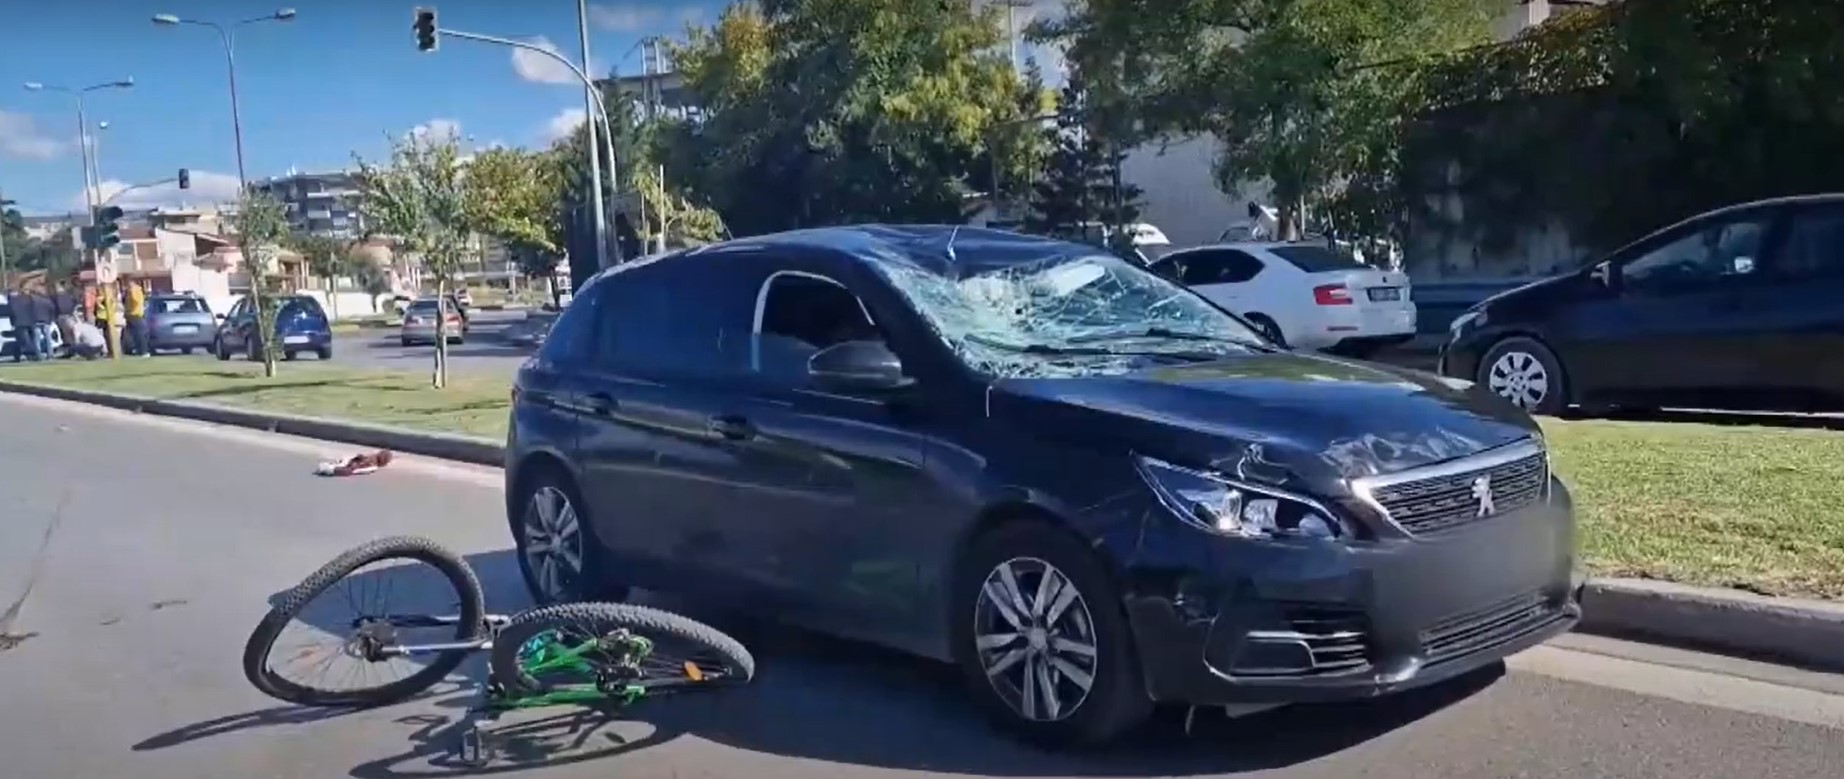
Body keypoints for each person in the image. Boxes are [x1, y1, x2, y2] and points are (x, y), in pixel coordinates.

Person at [9, 282, 39, 362]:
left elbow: (12, 312)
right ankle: (34, 355)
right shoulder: (29, 299)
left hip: (20, 323)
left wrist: (13, 322)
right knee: (30, 340)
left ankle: (31, 355)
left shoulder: (13, 301)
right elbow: (33, 310)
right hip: (30, 322)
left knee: (24, 341)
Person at [28, 285, 55, 359]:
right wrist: (50, 319)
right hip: (46, 320)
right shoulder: (47, 300)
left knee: (37, 339)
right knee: (48, 338)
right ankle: (50, 354)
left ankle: (38, 354)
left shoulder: (32, 301)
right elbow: (52, 309)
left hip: (36, 320)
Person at [51, 281, 77, 358]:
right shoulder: (69, 296)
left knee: (65, 335)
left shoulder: (56, 297)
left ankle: (69, 351)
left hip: (62, 316)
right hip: (69, 316)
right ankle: (71, 350)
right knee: (70, 334)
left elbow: (56, 307)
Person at [125, 280, 149, 357]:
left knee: (139, 334)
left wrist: (131, 309)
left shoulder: (134, 290)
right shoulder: (135, 290)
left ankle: (143, 351)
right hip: (134, 315)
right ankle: (139, 350)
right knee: (135, 334)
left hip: (135, 315)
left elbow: (135, 301)